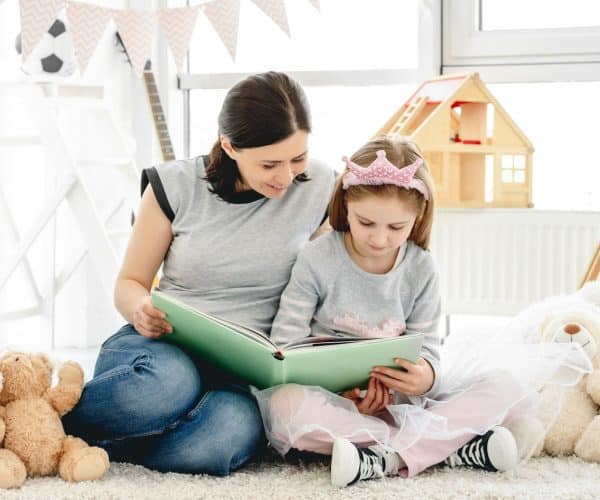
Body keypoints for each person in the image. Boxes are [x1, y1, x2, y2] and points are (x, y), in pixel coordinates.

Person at [254, 136, 591, 487]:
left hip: (408, 405)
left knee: (506, 387)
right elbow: (286, 344)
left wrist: (425, 377)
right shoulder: (317, 257)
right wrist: (341, 396)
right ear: (345, 206)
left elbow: (429, 348)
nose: (380, 239)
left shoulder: (420, 266)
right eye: (365, 222)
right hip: (336, 402)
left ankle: (386, 457)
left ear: (417, 219)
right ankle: (448, 447)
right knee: (283, 409)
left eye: (396, 228)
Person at [62, 72, 336, 475]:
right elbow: (130, 283)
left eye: (298, 158)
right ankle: (43, 426)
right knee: (168, 386)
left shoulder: (321, 187)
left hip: (247, 371)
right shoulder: (174, 186)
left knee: (220, 439)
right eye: (269, 163)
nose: (286, 176)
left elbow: (333, 282)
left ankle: (110, 448)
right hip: (165, 349)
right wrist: (140, 308)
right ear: (229, 146)